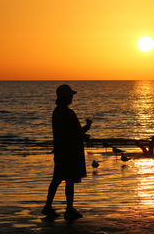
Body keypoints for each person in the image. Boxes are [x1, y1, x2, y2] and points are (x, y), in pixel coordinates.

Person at [42, 84, 92, 220]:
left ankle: (48, 206)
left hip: (60, 151)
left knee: (57, 179)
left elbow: (66, 133)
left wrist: (81, 134)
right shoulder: (69, 113)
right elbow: (76, 133)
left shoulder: (56, 112)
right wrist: (87, 127)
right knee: (69, 180)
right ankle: (69, 209)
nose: (72, 97)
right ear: (65, 97)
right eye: (70, 95)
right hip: (70, 152)